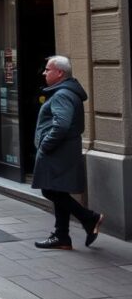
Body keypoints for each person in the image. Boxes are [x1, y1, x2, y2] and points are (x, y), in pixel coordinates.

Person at [32, 56, 104, 250]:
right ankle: (62, 236)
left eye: (48, 69)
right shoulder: (66, 92)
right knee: (58, 190)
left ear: (59, 73)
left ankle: (90, 218)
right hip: (64, 150)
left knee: (49, 189)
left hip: (58, 152)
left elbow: (61, 125)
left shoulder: (62, 95)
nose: (44, 73)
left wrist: (45, 145)